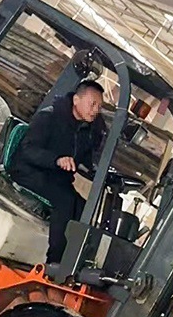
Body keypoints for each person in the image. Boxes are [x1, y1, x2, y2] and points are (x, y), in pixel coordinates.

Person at [10, 80, 106, 263]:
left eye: (99, 107)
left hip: (56, 178)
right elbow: (28, 150)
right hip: (30, 171)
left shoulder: (86, 130)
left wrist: (98, 172)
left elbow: (86, 161)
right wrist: (56, 160)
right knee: (65, 201)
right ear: (76, 100)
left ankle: (74, 261)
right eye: (92, 104)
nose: (95, 110)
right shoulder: (49, 117)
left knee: (85, 208)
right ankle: (54, 261)